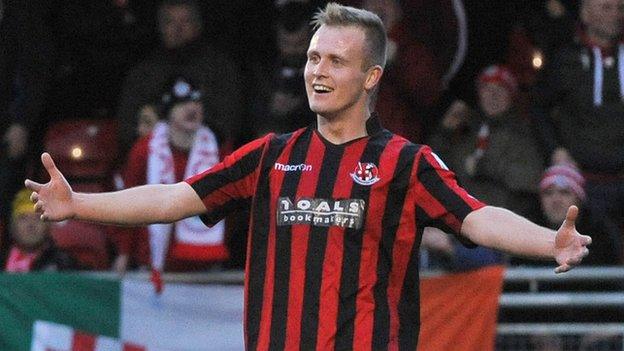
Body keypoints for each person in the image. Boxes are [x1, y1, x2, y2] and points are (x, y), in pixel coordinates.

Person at [26, 4, 591, 350]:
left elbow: (478, 218)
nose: (317, 71)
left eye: (334, 61)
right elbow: (177, 197)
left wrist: (549, 241)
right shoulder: (271, 156)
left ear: (371, 76)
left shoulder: (405, 162)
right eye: (313, 58)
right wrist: (81, 205)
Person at [111, 76, 229, 275]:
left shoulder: (219, 148)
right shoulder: (145, 149)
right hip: (153, 263)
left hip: (206, 265)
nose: (192, 108)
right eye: (183, 104)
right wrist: (123, 253)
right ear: (168, 112)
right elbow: (128, 201)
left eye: (197, 102)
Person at [532, 0, 624, 235]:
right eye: (607, 7)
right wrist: (555, 149)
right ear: (585, 13)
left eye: (621, 8)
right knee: (588, 252)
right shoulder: (566, 58)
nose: (616, 15)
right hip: (581, 182)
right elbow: (539, 107)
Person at [116, 0, 244, 155]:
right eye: (171, 22)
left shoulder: (219, 69)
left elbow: (229, 120)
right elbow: (128, 126)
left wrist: (189, 132)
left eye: (185, 21)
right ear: (161, 28)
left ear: (197, 25)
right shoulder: (144, 72)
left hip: (209, 157)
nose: (178, 28)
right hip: (153, 158)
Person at [429, 65, 544, 220]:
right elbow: (436, 168)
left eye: (500, 90)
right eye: (487, 89)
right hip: (459, 220)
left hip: (501, 224)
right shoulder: (467, 128)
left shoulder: (523, 134)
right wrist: (445, 132)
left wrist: (484, 166)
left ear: (511, 96)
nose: (492, 95)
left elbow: (530, 180)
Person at [3, 188, 79, 272]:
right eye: (23, 218)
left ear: (49, 225)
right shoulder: (2, 261)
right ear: (12, 226)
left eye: (37, 218)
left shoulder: (64, 265)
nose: (31, 225)